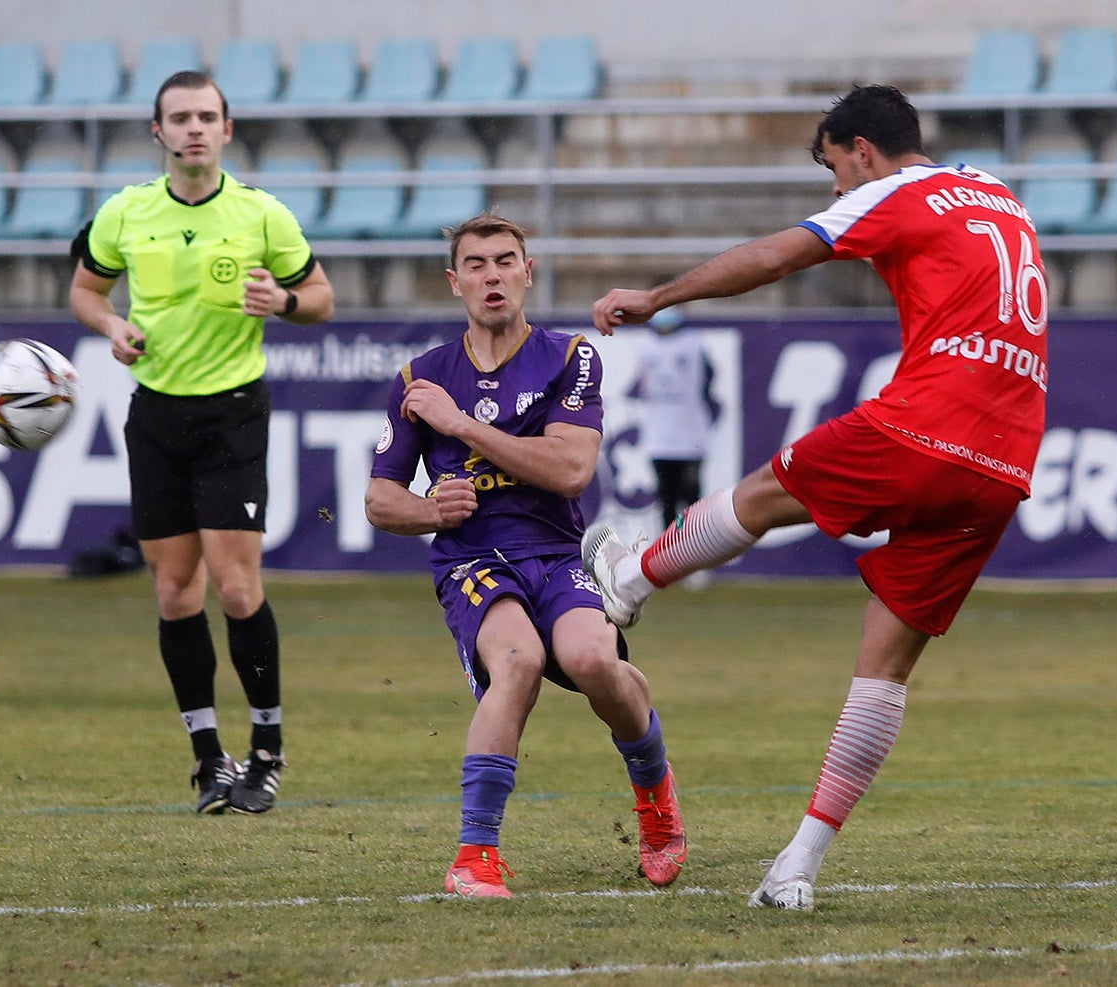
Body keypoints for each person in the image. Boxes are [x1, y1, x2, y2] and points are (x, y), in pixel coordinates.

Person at [581, 85, 1048, 911]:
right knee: (884, 674)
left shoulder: (899, 190)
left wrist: (656, 296)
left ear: (863, 149)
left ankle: (632, 579)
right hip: (1005, 458)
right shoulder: (1002, 197)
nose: (838, 189)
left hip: (928, 423)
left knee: (763, 495)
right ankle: (795, 869)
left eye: (836, 167)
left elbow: (775, 257)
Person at [365, 214, 687, 899]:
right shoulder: (419, 378)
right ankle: (475, 856)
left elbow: (571, 468)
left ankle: (657, 802)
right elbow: (377, 500)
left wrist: (459, 424)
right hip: (472, 560)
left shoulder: (571, 357)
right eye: (476, 265)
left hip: (555, 550)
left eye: (505, 261)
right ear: (455, 283)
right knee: (519, 662)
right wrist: (429, 510)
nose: (493, 275)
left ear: (528, 271)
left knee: (596, 661)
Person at [69, 70, 334, 815]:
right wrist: (112, 326)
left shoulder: (260, 214)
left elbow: (321, 297)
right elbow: (87, 290)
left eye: (206, 116)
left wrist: (282, 301)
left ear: (226, 129)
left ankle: (268, 750)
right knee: (174, 590)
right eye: (179, 117)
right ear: (157, 132)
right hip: (156, 415)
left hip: (232, 414)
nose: (193, 128)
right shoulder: (125, 213)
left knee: (238, 585)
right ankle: (209, 758)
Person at [635, 307, 716, 528]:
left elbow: (708, 383)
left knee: (692, 497)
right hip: (659, 435)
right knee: (666, 499)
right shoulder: (645, 345)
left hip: (690, 434)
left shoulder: (694, 344)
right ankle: (669, 553)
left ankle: (699, 548)